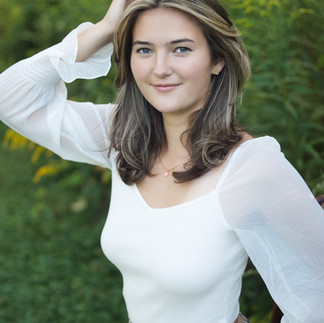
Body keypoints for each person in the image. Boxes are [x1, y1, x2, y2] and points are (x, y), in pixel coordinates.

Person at [0, 0, 324, 322]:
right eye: (144, 50)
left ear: (218, 59)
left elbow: (316, 298)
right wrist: (105, 29)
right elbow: (11, 98)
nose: (160, 68)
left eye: (181, 49)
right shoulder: (123, 138)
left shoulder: (251, 165)